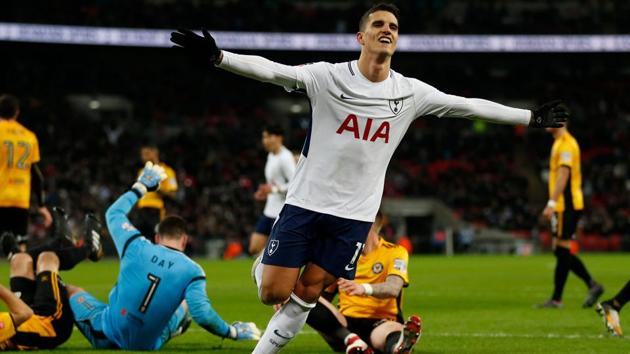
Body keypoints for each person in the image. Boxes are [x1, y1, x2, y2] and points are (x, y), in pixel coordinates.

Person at [171, 3, 568, 352]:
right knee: (271, 292)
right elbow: (274, 72)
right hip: (306, 202)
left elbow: (467, 106)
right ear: (362, 36)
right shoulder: (327, 77)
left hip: (354, 216)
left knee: (308, 294)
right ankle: (265, 261)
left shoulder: (410, 93)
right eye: (379, 24)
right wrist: (220, 57)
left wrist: (530, 117)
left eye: (393, 27)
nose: (387, 30)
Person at [68, 162, 261, 350]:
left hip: (105, 333)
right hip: (147, 346)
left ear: (157, 237)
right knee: (186, 304)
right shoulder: (193, 271)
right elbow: (202, 314)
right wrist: (231, 332)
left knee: (68, 290)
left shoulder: (135, 245)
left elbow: (113, 213)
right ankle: (172, 328)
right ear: (184, 240)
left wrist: (141, 187)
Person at [306, 212, 421, 354]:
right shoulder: (341, 255)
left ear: (371, 224)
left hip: (381, 322)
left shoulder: (395, 252)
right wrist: (293, 302)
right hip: (344, 324)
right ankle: (351, 340)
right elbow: (323, 299)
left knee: (393, 331)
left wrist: (364, 288)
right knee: (301, 296)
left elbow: (393, 288)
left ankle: (398, 347)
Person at [0, 210, 102, 351]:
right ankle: (89, 248)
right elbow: (24, 314)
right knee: (47, 258)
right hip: (50, 323)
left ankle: (19, 254)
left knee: (20, 260)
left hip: (29, 316)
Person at [536, 124, 603, 308]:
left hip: (567, 205)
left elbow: (563, 175)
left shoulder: (566, 144)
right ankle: (591, 285)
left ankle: (558, 299)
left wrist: (551, 203)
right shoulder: (559, 142)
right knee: (560, 250)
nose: (546, 122)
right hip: (564, 205)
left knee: (562, 249)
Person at [0, 94, 52, 250]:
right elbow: (36, 175)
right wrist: (42, 205)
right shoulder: (29, 136)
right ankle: (21, 274)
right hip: (20, 200)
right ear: (17, 112)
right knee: (20, 246)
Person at [249, 124, 296, 255]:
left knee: (275, 251)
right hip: (269, 209)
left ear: (279, 137)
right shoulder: (271, 155)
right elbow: (273, 183)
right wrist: (265, 192)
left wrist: (274, 190)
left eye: (268, 137)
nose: (265, 140)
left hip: (281, 212)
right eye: (264, 137)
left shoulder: (285, 157)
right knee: (254, 247)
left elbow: (295, 184)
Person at [134, 144, 178, 239]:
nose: (143, 157)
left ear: (155, 153)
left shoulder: (167, 171)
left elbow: (173, 194)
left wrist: (157, 188)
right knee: (138, 240)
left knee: (156, 239)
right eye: (142, 154)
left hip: (156, 210)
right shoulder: (141, 171)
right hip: (141, 210)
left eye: (146, 154)